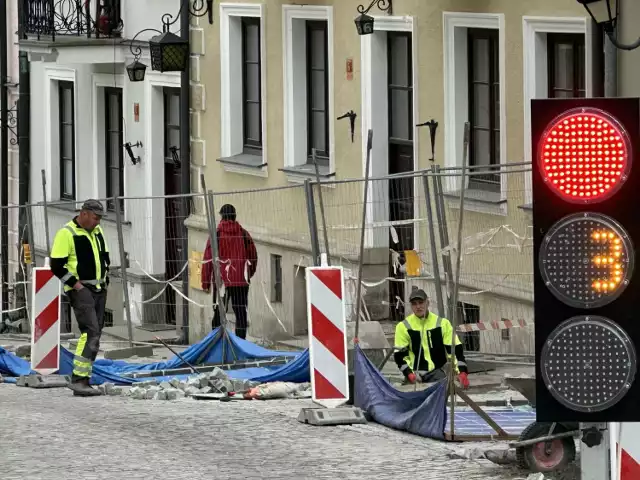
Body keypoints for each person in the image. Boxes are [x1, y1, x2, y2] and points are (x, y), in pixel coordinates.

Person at [50, 200, 110, 397]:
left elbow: (104, 257)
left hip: (99, 288)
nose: (98, 222)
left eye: (100, 218)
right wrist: (77, 286)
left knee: (96, 333)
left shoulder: (97, 232)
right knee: (90, 332)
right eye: (96, 218)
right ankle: (79, 380)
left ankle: (85, 378)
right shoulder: (66, 233)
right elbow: (57, 266)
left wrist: (105, 279)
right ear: (84, 214)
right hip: (81, 290)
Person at [394, 287, 470, 388]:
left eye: (421, 302)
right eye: (414, 304)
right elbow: (400, 356)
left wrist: (462, 372)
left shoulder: (442, 324)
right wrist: (409, 374)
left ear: (427, 303)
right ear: (411, 306)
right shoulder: (403, 326)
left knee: (442, 395)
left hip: (436, 373)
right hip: (415, 374)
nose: (418, 306)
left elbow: (454, 350)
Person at [201, 204, 258, 339]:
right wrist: (248, 274)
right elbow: (253, 256)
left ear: (221, 216)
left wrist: (205, 283)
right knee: (241, 313)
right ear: (235, 216)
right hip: (240, 282)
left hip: (222, 282)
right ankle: (241, 344)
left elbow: (208, 259)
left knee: (219, 314)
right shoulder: (243, 233)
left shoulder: (217, 235)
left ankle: (215, 342)